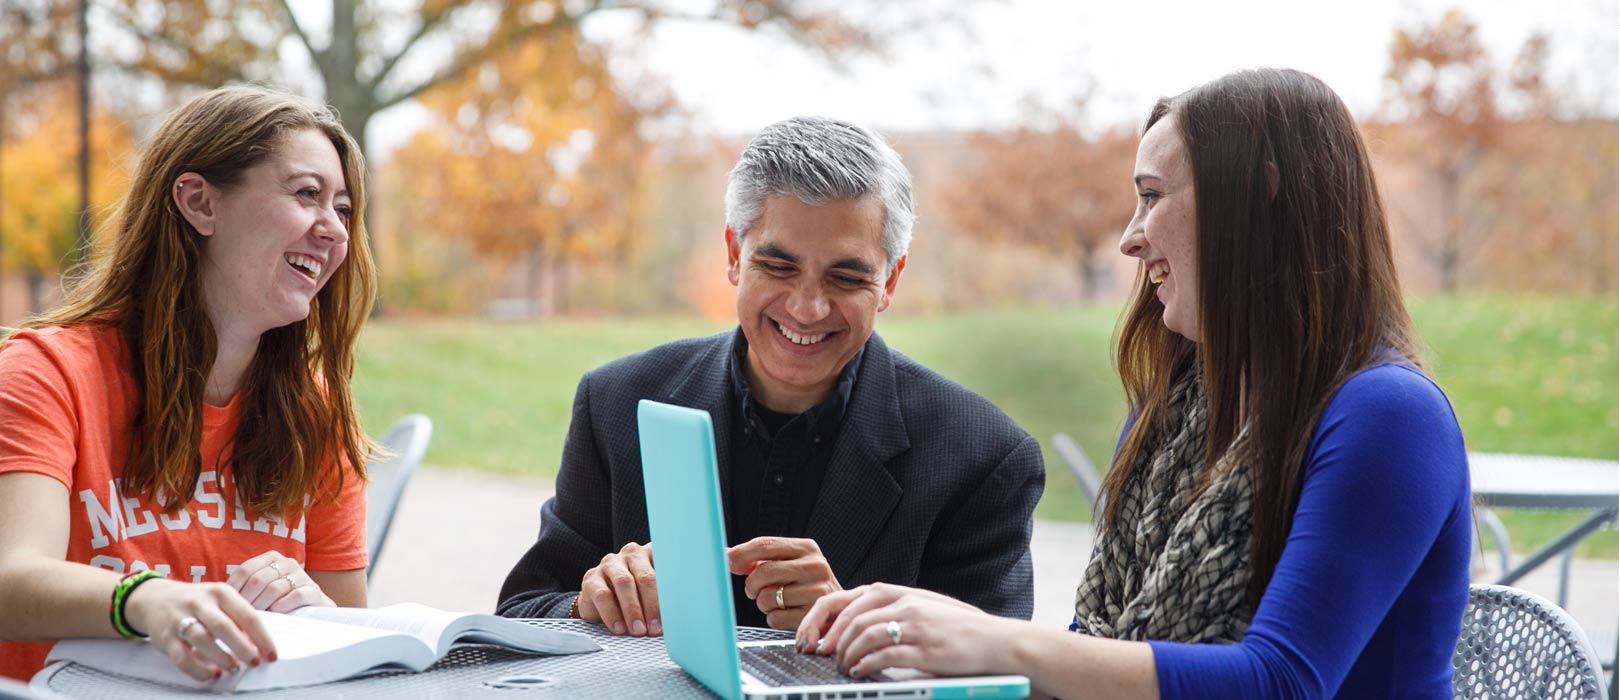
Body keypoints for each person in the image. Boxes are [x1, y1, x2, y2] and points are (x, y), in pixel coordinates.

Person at [793, 68, 1471, 699]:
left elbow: (1282, 680)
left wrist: (1000, 642)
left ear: (1260, 199)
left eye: (1152, 197)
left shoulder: (1388, 413)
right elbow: (1101, 651)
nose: (1130, 238)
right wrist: (929, 635)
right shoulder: (1172, 405)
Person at [497, 116, 1045, 636]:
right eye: (778, 267)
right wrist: (585, 604)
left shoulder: (984, 457)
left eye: (846, 277)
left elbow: (1000, 678)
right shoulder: (615, 404)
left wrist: (857, 625)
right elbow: (522, 612)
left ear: (890, 281)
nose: (807, 308)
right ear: (735, 254)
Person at [0, 86, 377, 683]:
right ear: (199, 203)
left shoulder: (317, 408)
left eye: (345, 209)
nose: (334, 230)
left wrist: (313, 614)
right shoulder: (46, 373)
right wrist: (149, 601)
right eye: (307, 194)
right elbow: (9, 580)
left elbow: (354, 643)